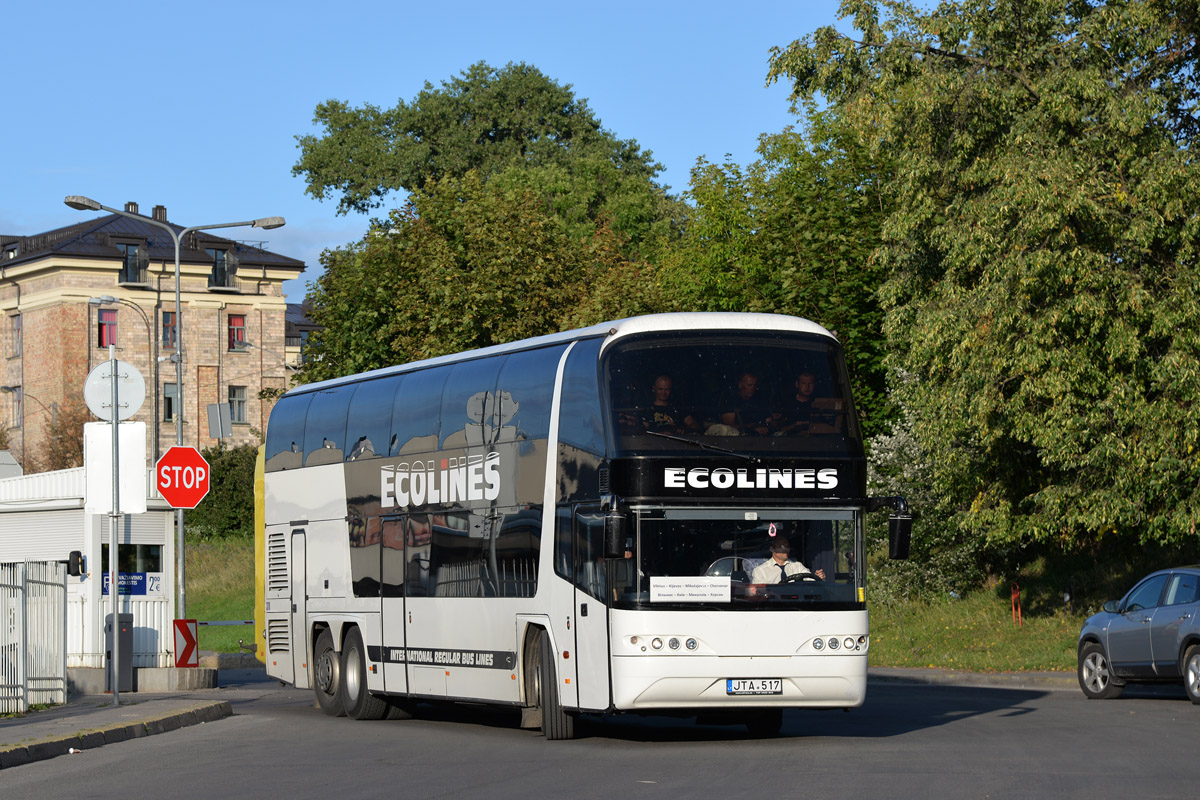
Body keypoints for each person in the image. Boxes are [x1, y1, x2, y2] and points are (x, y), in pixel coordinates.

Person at [708, 372, 774, 436]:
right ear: (740, 385)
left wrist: (765, 428)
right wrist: (751, 427)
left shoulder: (760, 401)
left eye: (755, 385)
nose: (752, 388)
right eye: (749, 385)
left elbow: (769, 421)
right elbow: (729, 426)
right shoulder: (731, 401)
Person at [750, 535, 825, 583]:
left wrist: (817, 577)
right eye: (782, 547)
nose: (786, 549)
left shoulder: (797, 566)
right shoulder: (760, 571)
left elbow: (810, 582)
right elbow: (759, 594)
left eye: (787, 546)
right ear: (772, 549)